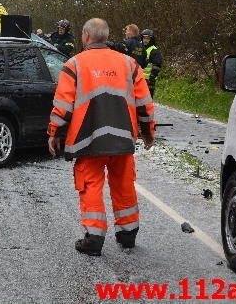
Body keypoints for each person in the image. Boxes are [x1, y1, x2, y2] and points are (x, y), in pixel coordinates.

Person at [47, 18, 155, 256]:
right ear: (106, 37)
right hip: (123, 138)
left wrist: (54, 133)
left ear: (85, 35)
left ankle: (94, 237)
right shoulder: (129, 65)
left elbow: (63, 106)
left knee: (91, 185)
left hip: (88, 139)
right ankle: (128, 234)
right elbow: (144, 104)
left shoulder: (74, 65)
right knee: (124, 183)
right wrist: (148, 133)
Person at [141, 29, 163, 98]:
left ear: (151, 39)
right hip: (137, 79)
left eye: (147, 38)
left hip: (149, 81)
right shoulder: (138, 47)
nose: (145, 40)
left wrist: (152, 76)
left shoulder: (154, 50)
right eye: (144, 38)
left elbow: (157, 65)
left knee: (147, 101)